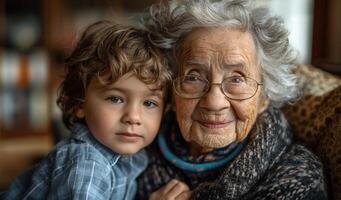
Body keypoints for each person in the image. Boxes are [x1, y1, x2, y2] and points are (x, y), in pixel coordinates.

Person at [135, 0, 328, 199]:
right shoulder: (130, 149)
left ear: (264, 97)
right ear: (171, 93)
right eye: (193, 77)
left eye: (236, 79)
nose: (214, 102)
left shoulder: (295, 178)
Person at [0, 20, 171, 199]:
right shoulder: (87, 163)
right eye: (115, 99)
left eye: (149, 103)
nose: (133, 117)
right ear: (80, 103)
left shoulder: (134, 156)